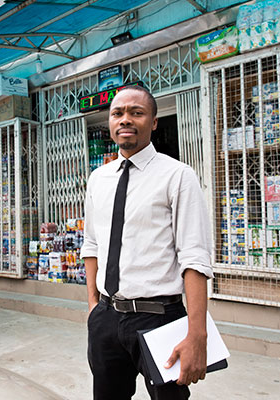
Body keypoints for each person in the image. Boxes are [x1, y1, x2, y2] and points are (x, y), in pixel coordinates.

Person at [80, 85, 213, 400]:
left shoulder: (178, 176)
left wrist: (197, 335)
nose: (125, 119)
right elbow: (92, 246)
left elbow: (194, 258)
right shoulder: (98, 179)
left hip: (158, 317)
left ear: (153, 122)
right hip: (106, 317)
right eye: (118, 113)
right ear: (110, 122)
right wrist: (92, 308)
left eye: (136, 113)